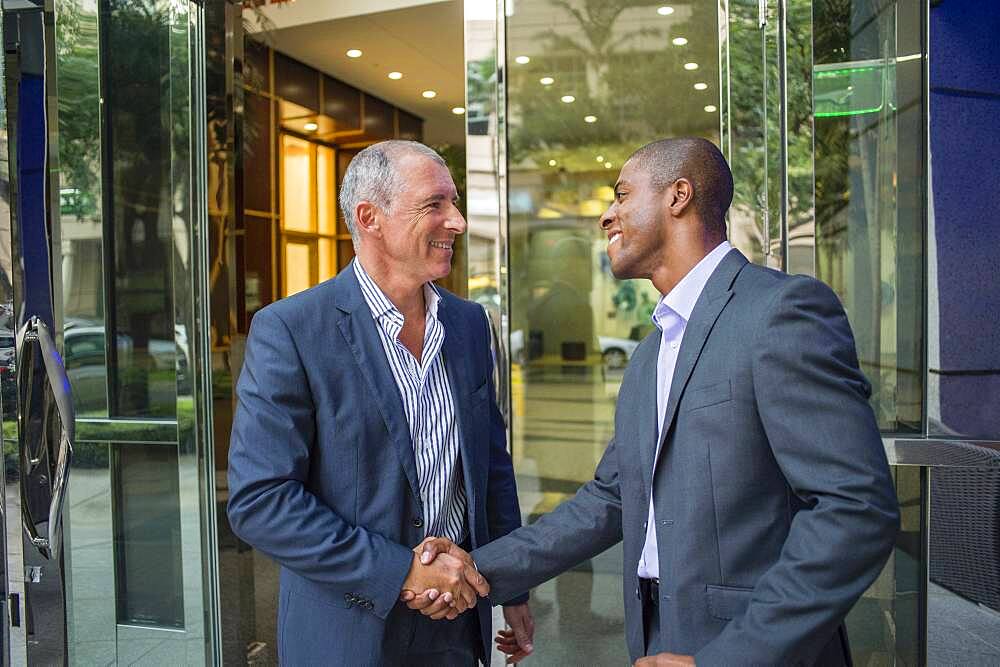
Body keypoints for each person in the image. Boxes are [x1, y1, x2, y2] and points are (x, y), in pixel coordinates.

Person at [409, 137, 900, 666]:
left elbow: (855, 508)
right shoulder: (649, 355)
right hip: (656, 637)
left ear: (679, 196)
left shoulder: (780, 312)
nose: (607, 216)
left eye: (621, 196)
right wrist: (479, 569)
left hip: (752, 648)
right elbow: (611, 499)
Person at [227, 140, 533, 665]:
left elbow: (490, 468)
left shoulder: (467, 324)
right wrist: (402, 571)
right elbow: (261, 500)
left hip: (458, 624)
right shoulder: (291, 329)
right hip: (348, 630)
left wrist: (513, 589)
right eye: (434, 204)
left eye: (454, 203)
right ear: (371, 218)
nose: (456, 221)